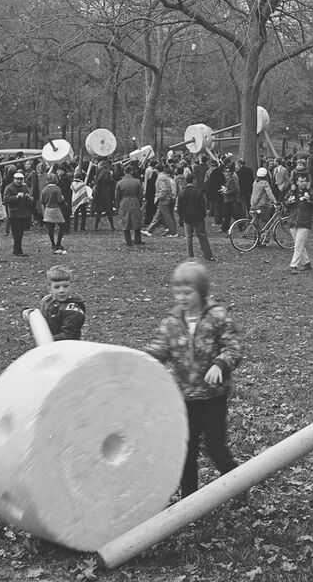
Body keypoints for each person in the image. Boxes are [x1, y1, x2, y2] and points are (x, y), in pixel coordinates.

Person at [144, 260, 242, 497]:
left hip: (212, 397)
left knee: (217, 449)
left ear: (202, 291)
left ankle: (240, 488)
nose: (182, 298)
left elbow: (234, 348)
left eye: (188, 292)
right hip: (185, 398)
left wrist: (221, 363)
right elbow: (161, 348)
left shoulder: (217, 317)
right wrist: (142, 358)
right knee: (186, 452)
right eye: (177, 292)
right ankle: (188, 499)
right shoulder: (171, 321)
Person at [24, 265, 85, 340]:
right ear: (49, 288)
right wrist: (30, 312)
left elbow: (69, 335)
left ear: (71, 286)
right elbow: (43, 314)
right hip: (48, 343)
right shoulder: (47, 300)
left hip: (66, 347)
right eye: (56, 287)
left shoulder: (73, 311)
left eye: (66, 286)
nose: (61, 290)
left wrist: (46, 340)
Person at [284, 172, 313, 273]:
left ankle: (293, 265)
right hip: (293, 220)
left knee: (298, 244)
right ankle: (307, 263)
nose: (303, 183)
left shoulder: (310, 192)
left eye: (305, 181)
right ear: (296, 182)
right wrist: (289, 202)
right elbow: (285, 202)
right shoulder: (292, 192)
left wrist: (309, 201)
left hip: (304, 221)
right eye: (301, 181)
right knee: (299, 244)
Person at [177, 174, 214, 261]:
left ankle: (190, 256)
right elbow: (202, 205)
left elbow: (179, 206)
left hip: (187, 217)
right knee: (202, 236)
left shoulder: (182, 192)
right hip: (198, 217)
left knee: (188, 238)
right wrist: (202, 215)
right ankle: (208, 255)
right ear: (193, 180)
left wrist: (182, 216)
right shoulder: (198, 191)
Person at [114, 166, 144, 247]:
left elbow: (117, 195)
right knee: (136, 219)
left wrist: (118, 204)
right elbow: (140, 194)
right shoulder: (137, 182)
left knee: (125, 220)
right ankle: (138, 239)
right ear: (131, 172)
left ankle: (128, 240)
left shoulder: (119, 183)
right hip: (135, 200)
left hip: (124, 201)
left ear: (124, 172)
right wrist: (140, 202)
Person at [41, 173, 68, 254]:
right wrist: (63, 199)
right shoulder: (57, 189)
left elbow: (42, 201)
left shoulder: (45, 189)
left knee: (50, 228)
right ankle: (58, 243)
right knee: (62, 226)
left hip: (48, 209)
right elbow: (60, 200)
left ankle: (53, 244)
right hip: (56, 209)